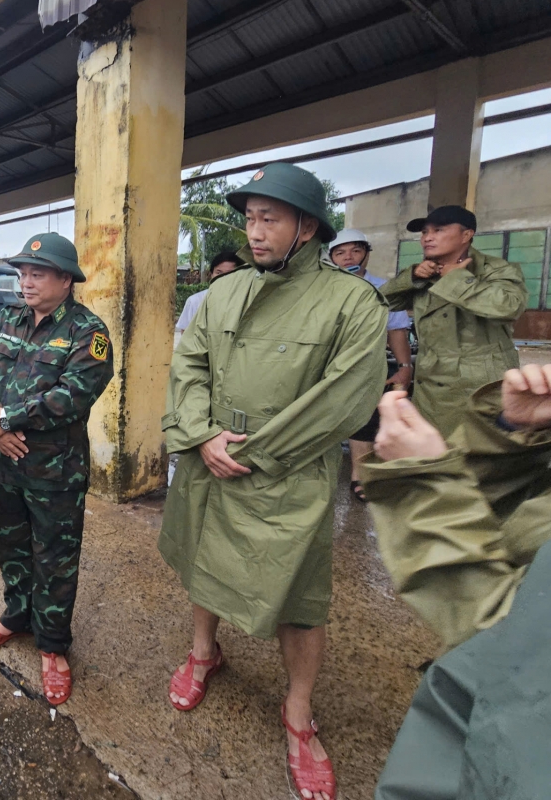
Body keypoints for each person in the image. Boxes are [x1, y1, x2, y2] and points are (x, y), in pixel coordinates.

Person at [157, 162, 388, 800]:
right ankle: (205, 653)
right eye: (251, 219)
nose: (255, 233)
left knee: (299, 595)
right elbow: (190, 366)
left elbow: (347, 399)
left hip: (287, 472)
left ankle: (299, 712)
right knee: (205, 562)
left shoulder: (351, 300)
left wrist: (258, 451)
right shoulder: (222, 295)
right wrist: (202, 434)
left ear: (306, 227)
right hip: (212, 458)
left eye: (270, 219)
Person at [360, 370, 551, 799]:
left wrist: (426, 480)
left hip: (494, 748)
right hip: (472, 703)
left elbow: (522, 650)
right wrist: (511, 432)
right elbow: (517, 524)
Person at [0, 233, 113, 706]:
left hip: (55, 472)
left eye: (37, 273)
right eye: (22, 273)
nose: (25, 282)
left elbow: (72, 396)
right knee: (8, 542)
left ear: (65, 279)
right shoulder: (8, 318)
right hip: (5, 464)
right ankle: (17, 616)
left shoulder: (88, 332)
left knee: (54, 556)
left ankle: (53, 646)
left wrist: (8, 419)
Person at [380, 206, 526, 439]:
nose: (427, 237)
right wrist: (413, 277)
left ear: (466, 235)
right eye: (424, 232)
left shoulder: (495, 270)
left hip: (479, 390)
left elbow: (508, 306)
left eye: (438, 230)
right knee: (432, 456)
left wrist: (456, 278)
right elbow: (380, 300)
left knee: (479, 455)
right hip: (430, 388)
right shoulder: (425, 273)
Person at [328, 229, 415, 500]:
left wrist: (404, 367)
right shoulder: (324, 288)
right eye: (340, 253)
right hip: (330, 367)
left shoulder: (385, 289)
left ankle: (360, 475)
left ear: (366, 252)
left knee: (365, 419)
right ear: (331, 258)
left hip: (369, 366)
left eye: (354, 251)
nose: (348, 257)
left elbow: (397, 331)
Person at [175, 250, 242, 337]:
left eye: (230, 273)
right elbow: (186, 334)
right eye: (219, 272)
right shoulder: (195, 301)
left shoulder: (246, 300)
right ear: (211, 274)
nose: (223, 277)